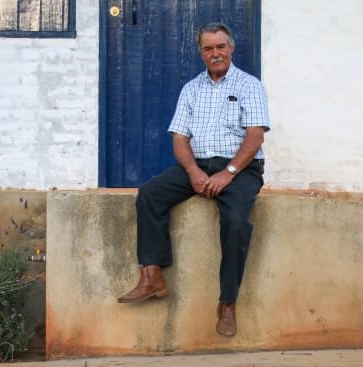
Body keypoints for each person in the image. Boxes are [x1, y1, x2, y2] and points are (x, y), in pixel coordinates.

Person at [117, 22, 270, 338]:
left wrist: (227, 174)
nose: (216, 53)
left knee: (237, 222)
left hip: (239, 169)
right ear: (201, 53)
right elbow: (179, 138)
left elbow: (254, 137)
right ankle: (152, 275)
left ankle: (227, 303)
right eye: (209, 48)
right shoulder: (192, 88)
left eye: (221, 47)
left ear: (231, 48)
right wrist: (194, 173)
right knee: (150, 194)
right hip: (198, 165)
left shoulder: (249, 85)